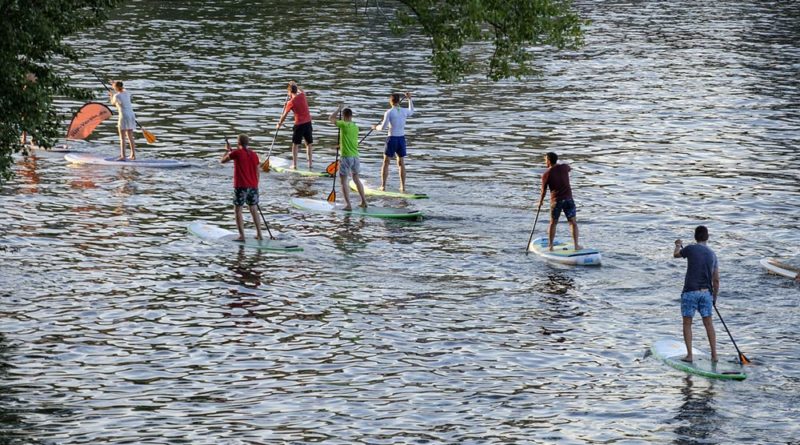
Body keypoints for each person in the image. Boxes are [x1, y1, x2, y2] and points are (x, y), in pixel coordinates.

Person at [673, 225, 719, 363]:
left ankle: (689, 355)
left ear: (695, 237)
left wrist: (678, 245)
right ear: (707, 237)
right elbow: (716, 280)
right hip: (706, 294)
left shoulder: (690, 248)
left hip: (690, 292)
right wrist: (714, 298)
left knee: (687, 323)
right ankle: (714, 355)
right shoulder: (712, 254)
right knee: (708, 324)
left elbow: (676, 255)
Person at [220, 134, 263, 241]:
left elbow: (222, 161)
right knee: (254, 209)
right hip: (253, 186)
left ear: (238, 143)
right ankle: (259, 234)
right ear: (247, 143)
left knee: (238, 210)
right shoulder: (254, 154)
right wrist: (256, 185)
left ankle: (242, 236)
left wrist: (226, 150)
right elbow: (258, 171)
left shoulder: (236, 153)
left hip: (241, 186)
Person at [538, 152, 581, 251]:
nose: (545, 161)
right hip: (568, 200)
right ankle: (576, 246)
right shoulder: (564, 167)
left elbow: (543, 191)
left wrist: (540, 202)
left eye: (545, 160)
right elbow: (569, 168)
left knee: (553, 223)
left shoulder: (546, 174)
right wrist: (561, 165)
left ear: (548, 160)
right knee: (573, 223)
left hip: (556, 201)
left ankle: (551, 246)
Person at [329, 105, 367, 211]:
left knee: (343, 181)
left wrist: (337, 109)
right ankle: (364, 201)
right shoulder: (355, 126)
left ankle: (348, 205)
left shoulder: (343, 124)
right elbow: (348, 140)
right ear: (351, 116)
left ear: (344, 116)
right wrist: (338, 146)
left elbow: (330, 118)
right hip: (356, 157)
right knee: (356, 179)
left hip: (346, 157)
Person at [373, 92, 413, 192]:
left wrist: (375, 127)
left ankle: (383, 186)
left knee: (386, 162)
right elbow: (411, 111)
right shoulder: (404, 111)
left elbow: (383, 127)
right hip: (401, 139)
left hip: (392, 139)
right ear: (399, 101)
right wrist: (409, 99)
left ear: (391, 101)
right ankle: (403, 187)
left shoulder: (389, 112)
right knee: (401, 163)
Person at [276, 81, 313, 170]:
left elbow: (284, 115)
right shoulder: (302, 95)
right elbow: (302, 91)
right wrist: (296, 85)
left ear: (289, 92)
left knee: (295, 144)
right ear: (296, 90)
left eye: (288, 92)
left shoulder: (291, 102)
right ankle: (310, 164)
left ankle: (294, 165)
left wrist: (279, 124)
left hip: (299, 124)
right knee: (308, 144)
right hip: (308, 122)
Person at [108, 81, 137, 160]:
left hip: (124, 116)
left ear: (116, 87)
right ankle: (133, 155)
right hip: (131, 115)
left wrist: (111, 95)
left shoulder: (117, 96)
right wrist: (114, 84)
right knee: (130, 136)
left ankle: (123, 156)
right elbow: (122, 90)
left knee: (122, 138)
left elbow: (113, 103)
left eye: (113, 86)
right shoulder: (127, 93)